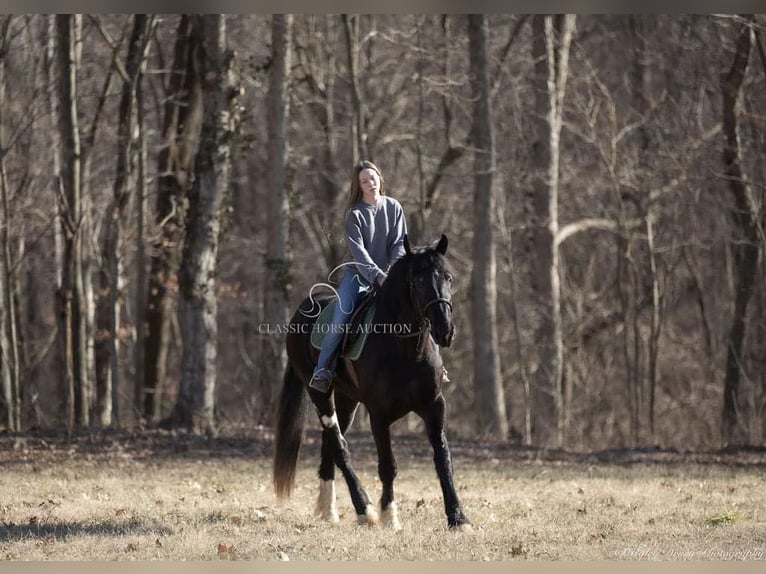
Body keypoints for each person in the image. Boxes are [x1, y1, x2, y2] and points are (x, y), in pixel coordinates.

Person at [309, 160, 450, 393]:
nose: (370, 183)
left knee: (423, 305)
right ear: (359, 186)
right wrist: (378, 276)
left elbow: (398, 243)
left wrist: (392, 273)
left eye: (372, 178)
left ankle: (437, 366)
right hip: (357, 276)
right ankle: (323, 370)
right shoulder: (354, 215)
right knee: (341, 317)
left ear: (379, 179)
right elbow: (359, 254)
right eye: (364, 181)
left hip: (390, 276)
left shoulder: (394, 207)